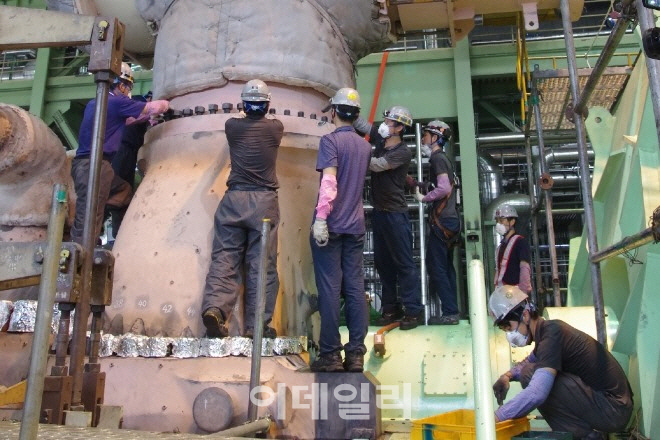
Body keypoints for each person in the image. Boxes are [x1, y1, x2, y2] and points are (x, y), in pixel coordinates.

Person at [489, 285, 633, 439]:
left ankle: (585, 436)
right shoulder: (547, 334)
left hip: (613, 409)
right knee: (530, 370)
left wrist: (495, 418)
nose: (510, 335)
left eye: (508, 328)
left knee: (530, 374)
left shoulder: (552, 334)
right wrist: (507, 376)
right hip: (611, 407)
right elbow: (529, 360)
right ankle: (586, 435)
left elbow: (537, 393)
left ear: (524, 315)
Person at [201, 79, 283, 339]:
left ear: (243, 103)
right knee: (261, 265)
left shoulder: (232, 126)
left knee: (224, 258)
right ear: (267, 104)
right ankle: (256, 326)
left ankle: (215, 309)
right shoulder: (276, 129)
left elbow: (239, 115)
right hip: (264, 204)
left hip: (234, 200)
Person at [309, 88, 372, 372]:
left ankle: (331, 355)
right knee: (356, 288)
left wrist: (321, 218)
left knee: (330, 289)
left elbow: (329, 182)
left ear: (333, 111)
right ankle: (356, 354)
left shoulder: (330, 141)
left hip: (332, 226)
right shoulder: (364, 146)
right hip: (356, 226)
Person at [70, 63, 169, 243]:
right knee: (89, 214)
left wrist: (146, 118)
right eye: (128, 87)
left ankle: (120, 237)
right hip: (96, 167)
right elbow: (156, 107)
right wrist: (166, 102)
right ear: (121, 85)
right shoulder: (117, 101)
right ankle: (82, 252)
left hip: (84, 165)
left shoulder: (96, 103)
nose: (128, 91)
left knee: (123, 191)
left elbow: (128, 121)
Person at [354, 106, 423, 330]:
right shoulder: (382, 141)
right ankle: (390, 308)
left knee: (404, 263)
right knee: (384, 264)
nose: (384, 124)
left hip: (395, 214)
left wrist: (353, 149)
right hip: (380, 213)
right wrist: (347, 108)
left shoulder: (402, 151)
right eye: (385, 120)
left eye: (390, 122)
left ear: (401, 128)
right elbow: (364, 126)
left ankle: (413, 310)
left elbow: (377, 165)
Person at [413, 120, 461, 325]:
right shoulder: (444, 160)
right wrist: (422, 185)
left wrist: (424, 198)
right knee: (447, 267)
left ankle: (450, 311)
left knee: (437, 266)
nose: (423, 139)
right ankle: (452, 310)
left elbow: (443, 189)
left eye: (426, 135)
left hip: (442, 222)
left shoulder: (438, 159)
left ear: (435, 138)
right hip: (450, 222)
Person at [106, 92, 153, 236]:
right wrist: (152, 112)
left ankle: (118, 233)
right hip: (125, 149)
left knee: (123, 189)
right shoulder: (139, 101)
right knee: (121, 190)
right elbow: (134, 117)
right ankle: (117, 232)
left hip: (129, 151)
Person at [493, 204, 532, 294]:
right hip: (503, 295)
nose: (498, 224)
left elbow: (524, 268)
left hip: (516, 295)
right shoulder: (500, 247)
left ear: (512, 221)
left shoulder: (520, 242)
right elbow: (498, 272)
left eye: (502, 220)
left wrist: (523, 293)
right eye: (497, 221)